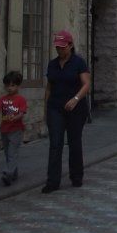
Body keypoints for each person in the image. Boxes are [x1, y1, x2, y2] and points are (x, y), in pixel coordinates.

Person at [42, 30, 91, 193]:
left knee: (74, 142)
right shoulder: (53, 64)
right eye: (58, 47)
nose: (60, 50)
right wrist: (46, 109)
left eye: (63, 47)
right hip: (55, 107)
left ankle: (76, 176)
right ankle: (52, 181)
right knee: (55, 144)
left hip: (76, 109)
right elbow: (49, 87)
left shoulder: (79, 63)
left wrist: (76, 99)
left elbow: (86, 84)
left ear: (70, 46)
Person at [0, 71, 26, 187]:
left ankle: (8, 173)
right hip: (5, 129)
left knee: (12, 152)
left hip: (16, 129)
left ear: (18, 86)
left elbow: (22, 113)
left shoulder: (20, 99)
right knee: (7, 152)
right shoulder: (3, 99)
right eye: (7, 85)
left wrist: (15, 117)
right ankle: (14, 172)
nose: (10, 88)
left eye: (12, 85)